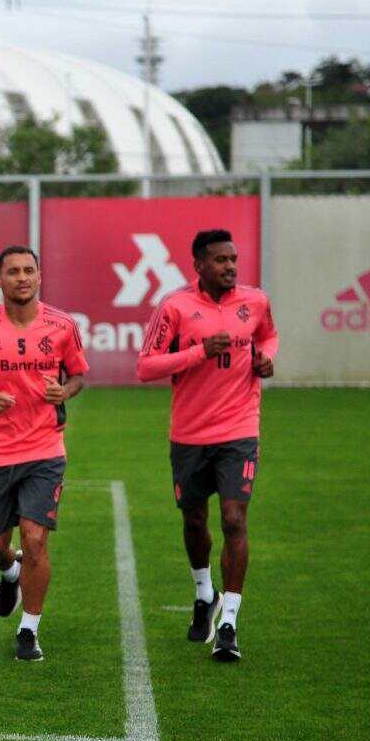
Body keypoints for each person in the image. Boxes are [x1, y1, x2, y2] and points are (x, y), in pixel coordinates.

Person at [137, 229, 278, 662]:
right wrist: (198, 352)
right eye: (220, 260)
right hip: (190, 434)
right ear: (198, 265)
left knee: (234, 520)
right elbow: (145, 367)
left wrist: (265, 360)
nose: (230, 267)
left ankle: (229, 624)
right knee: (195, 521)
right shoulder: (176, 306)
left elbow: (267, 336)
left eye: (233, 259)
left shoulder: (255, 301)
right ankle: (204, 592)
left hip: (239, 429)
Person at [0, 245, 88, 661]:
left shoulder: (62, 325)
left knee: (34, 539)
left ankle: (29, 629)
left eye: (28, 270)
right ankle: (9, 573)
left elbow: (79, 375)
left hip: (45, 450)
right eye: (12, 271)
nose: (21, 277)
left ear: (39, 276)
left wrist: (63, 390)